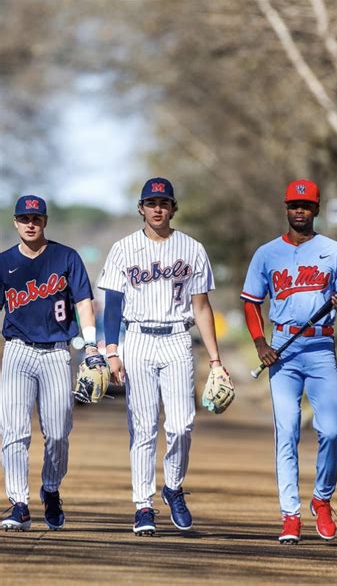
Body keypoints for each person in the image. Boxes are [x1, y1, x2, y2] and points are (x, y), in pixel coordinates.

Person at [98, 177, 228, 536]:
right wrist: (112, 352)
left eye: (164, 202)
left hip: (176, 339)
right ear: (141, 208)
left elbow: (202, 307)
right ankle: (143, 504)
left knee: (182, 424)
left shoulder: (192, 248)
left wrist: (216, 361)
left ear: (173, 208)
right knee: (143, 428)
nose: (158, 208)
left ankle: (172, 487)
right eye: (151, 202)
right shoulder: (123, 248)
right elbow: (113, 305)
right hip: (137, 338)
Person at [241, 179, 337, 544]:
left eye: (306, 206)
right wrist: (261, 344)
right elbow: (251, 301)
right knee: (287, 432)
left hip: (321, 347)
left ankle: (322, 498)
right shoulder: (266, 253)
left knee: (332, 431)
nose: (299, 211)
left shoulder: (334, 250)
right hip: (283, 349)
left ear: (316, 210)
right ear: (286, 208)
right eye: (293, 205)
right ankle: (290, 514)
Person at [0, 195, 101, 531]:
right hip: (17, 350)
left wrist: (90, 346)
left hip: (58, 351)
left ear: (45, 222)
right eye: (25, 218)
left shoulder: (66, 257)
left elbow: (84, 301)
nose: (31, 223)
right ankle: (18, 503)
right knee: (13, 431)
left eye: (37, 218)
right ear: (15, 222)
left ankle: (52, 488)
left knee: (58, 432)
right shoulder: (4, 263)